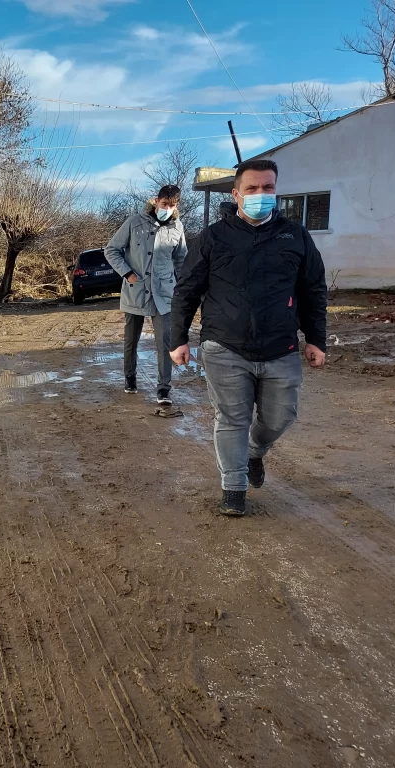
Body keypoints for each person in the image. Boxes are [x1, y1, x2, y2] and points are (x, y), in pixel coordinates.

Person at [170, 159, 327, 517]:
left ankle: (256, 451)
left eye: (267, 188)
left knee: (279, 418)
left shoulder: (296, 236)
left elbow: (313, 290)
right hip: (225, 346)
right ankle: (234, 489)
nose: (260, 195)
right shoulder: (213, 237)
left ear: (276, 190)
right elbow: (187, 290)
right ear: (236, 194)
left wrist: (316, 339)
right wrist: (178, 339)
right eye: (252, 189)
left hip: (281, 347)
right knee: (231, 419)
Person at [104, 184, 188, 405]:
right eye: (164, 204)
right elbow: (111, 249)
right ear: (155, 201)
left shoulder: (177, 227)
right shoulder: (134, 222)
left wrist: (181, 287)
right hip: (136, 290)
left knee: (165, 343)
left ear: (176, 205)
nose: (167, 208)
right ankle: (130, 377)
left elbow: (181, 260)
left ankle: (164, 389)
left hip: (163, 294)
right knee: (131, 340)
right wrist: (127, 273)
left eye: (172, 205)